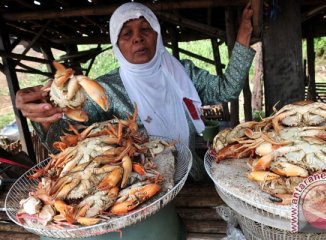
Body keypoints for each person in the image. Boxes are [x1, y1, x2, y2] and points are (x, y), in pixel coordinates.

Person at [15, 2, 255, 239]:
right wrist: (46, 116)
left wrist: (244, 33)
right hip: (139, 200)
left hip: (191, 179)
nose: (138, 39)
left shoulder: (183, 73)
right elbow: (68, 143)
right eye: (126, 33)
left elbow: (227, 90)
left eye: (145, 30)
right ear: (116, 44)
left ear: (157, 34)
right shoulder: (105, 90)